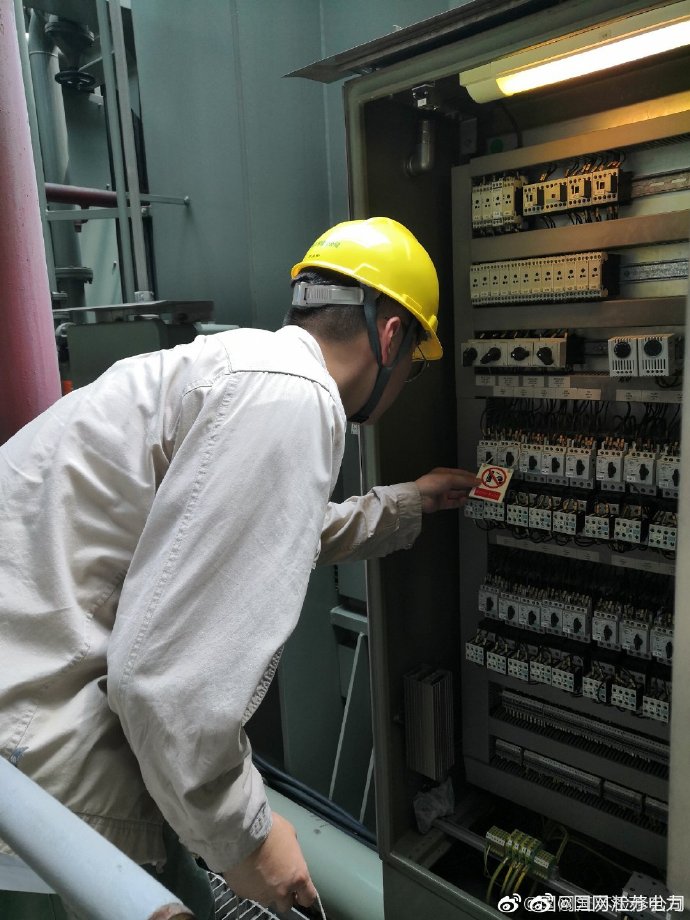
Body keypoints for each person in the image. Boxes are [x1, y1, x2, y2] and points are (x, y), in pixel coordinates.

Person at [0, 217, 478, 918]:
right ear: (390, 335)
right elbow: (164, 683)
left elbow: (262, 532)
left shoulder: (245, 369)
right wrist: (246, 840)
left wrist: (408, 503)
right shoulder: (293, 397)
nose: (409, 376)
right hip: (38, 762)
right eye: (418, 360)